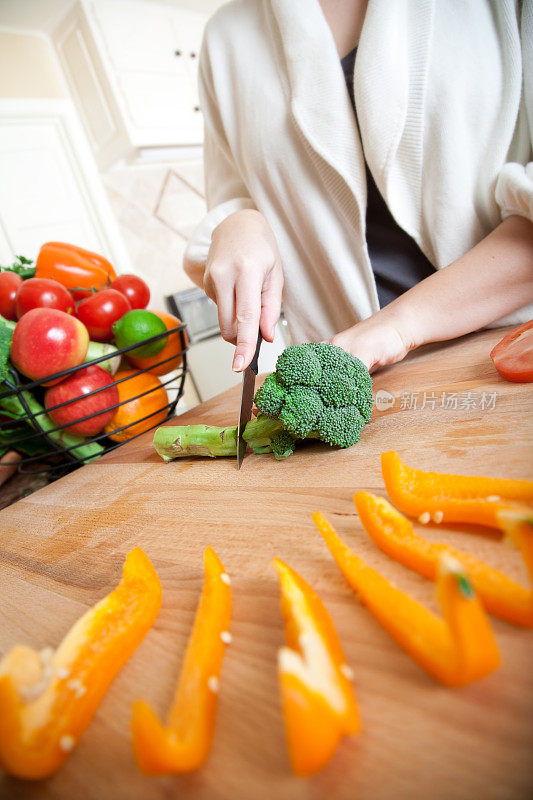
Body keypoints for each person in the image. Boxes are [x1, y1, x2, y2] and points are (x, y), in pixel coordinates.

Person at [184, 0, 533, 373]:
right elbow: (233, 194)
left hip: (509, 350)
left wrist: (396, 326)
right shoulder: (226, 36)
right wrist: (241, 222)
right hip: (355, 374)